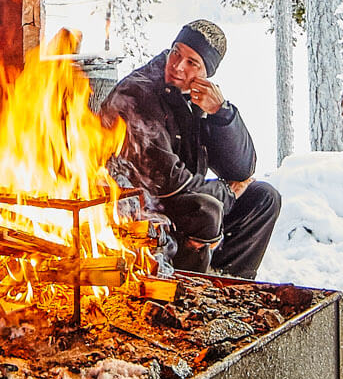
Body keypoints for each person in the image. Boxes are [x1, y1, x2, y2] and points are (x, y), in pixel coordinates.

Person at [103, 21, 281, 279]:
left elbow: (242, 169)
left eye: (191, 62)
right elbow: (166, 182)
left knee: (263, 198)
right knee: (205, 210)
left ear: (206, 73)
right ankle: (189, 289)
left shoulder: (195, 96)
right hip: (137, 207)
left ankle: (228, 285)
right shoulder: (139, 93)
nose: (177, 66)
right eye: (176, 52)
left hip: (176, 202)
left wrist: (221, 114)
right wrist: (226, 193)